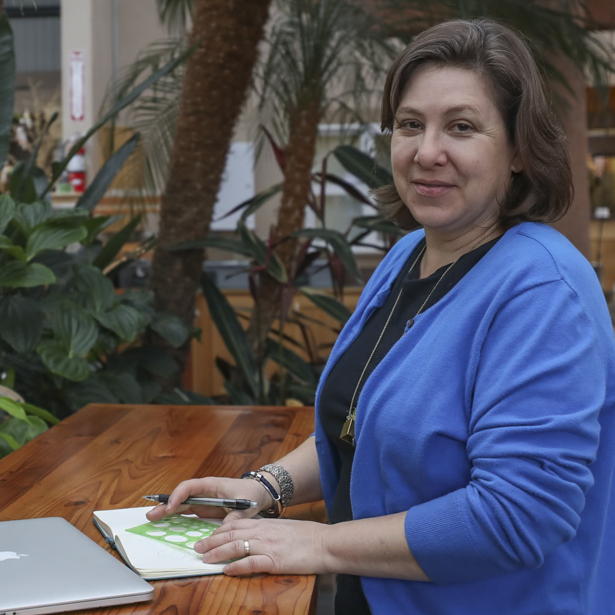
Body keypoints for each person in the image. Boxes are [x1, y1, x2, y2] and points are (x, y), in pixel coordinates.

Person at [147, 19, 615, 615]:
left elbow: (516, 517)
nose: (426, 151)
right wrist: (263, 489)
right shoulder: (408, 256)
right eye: (410, 125)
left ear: (520, 149)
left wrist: (320, 543)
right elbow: (368, 432)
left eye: (462, 128)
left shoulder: (543, 291)